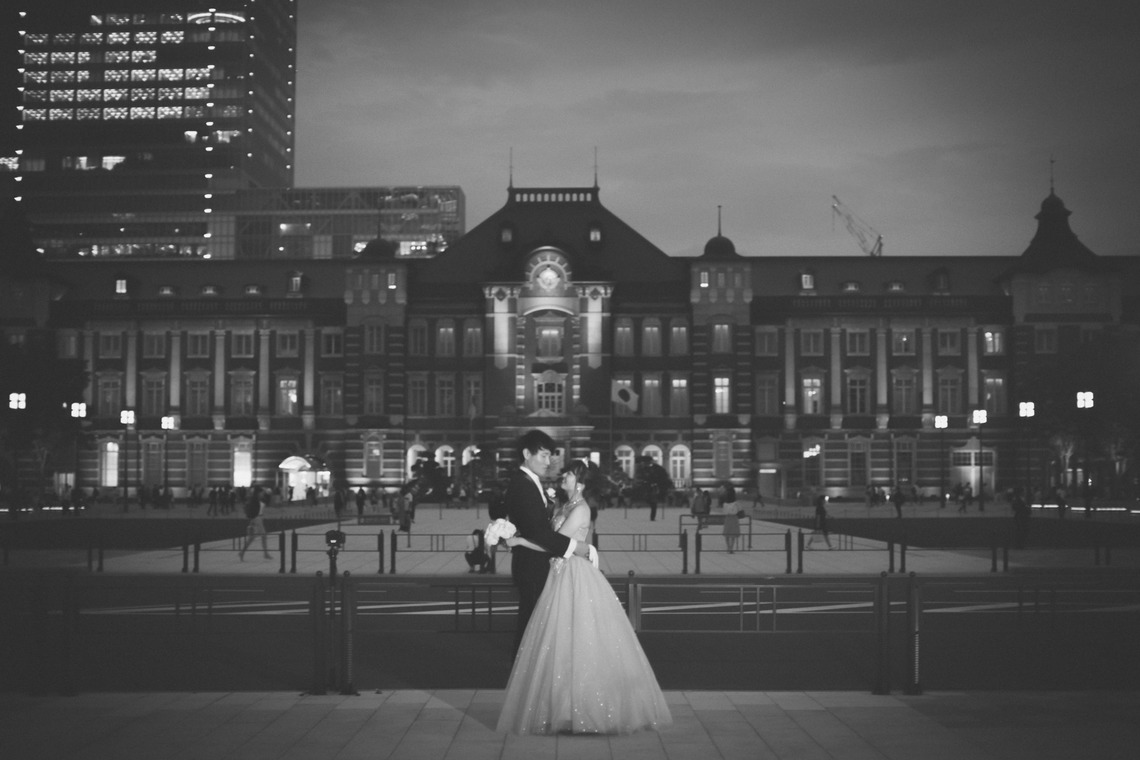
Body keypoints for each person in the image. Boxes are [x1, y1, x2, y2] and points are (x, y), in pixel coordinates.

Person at [498, 459, 671, 735]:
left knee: (579, 640)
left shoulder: (580, 509)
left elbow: (553, 543)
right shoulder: (563, 506)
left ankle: (587, 709)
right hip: (556, 574)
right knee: (558, 644)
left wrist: (519, 541)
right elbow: (546, 534)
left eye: (567, 474)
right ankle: (561, 708)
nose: (562, 477)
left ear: (580, 482)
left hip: (573, 575)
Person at [503, 429, 595, 654]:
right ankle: (524, 675)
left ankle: (528, 672)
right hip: (533, 565)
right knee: (531, 626)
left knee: (536, 624)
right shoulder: (524, 485)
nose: (549, 462)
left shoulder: (528, 483)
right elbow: (540, 533)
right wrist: (579, 548)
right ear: (527, 453)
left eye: (550, 456)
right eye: (543, 456)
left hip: (540, 563)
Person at [238, 487, 272, 561]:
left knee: (252, 538)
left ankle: (242, 552)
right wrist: (253, 520)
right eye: (261, 492)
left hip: (258, 518)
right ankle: (265, 554)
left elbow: (267, 502)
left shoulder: (259, 499)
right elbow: (251, 511)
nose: (262, 493)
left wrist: (267, 493)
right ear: (258, 493)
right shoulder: (254, 500)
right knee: (263, 535)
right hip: (257, 519)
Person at [720, 483, 741, 553]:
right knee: (733, 534)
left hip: (728, 518)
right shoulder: (736, 503)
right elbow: (739, 510)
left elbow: (724, 512)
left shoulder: (725, 504)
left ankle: (728, 547)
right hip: (734, 518)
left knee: (727, 533)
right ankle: (731, 547)